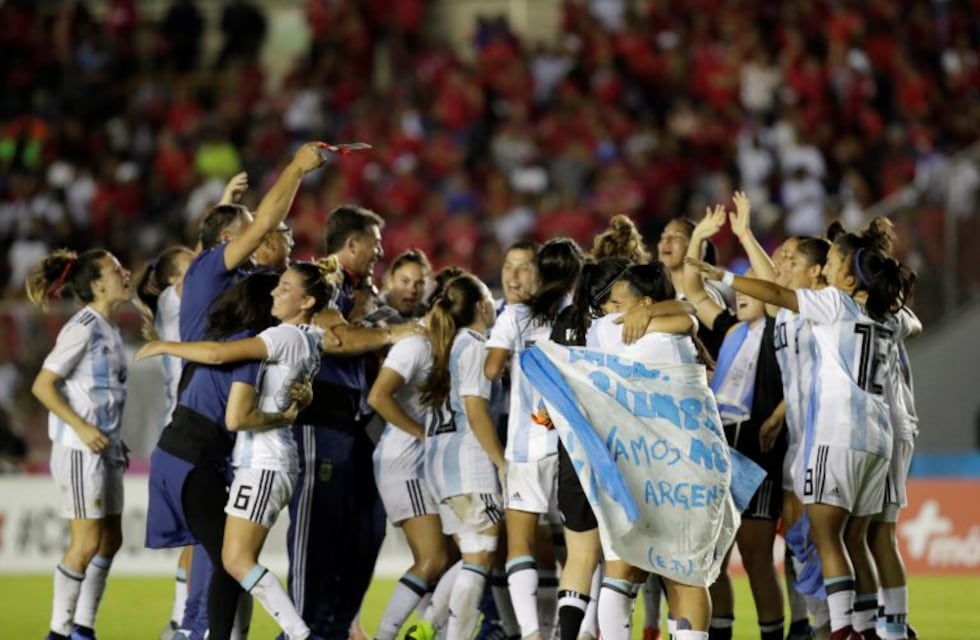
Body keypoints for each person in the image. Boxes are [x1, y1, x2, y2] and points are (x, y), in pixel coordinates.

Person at [686, 225, 916, 640]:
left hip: (836, 431)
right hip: (878, 436)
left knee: (826, 538)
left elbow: (774, 293)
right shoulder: (883, 314)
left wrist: (723, 275)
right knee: (856, 539)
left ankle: (841, 628)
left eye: (832, 264)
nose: (826, 270)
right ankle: (873, 628)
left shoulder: (833, 304)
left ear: (848, 279)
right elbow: (908, 323)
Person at [138, 260, 343, 640]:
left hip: (265, 463)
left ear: (308, 300)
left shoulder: (283, 337)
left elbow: (219, 356)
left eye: (285, 288)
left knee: (235, 560)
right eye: (276, 285)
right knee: (230, 561)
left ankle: (300, 634)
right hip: (266, 463)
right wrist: (292, 408)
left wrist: (164, 345)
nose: (274, 293)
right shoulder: (310, 339)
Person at [175, 142, 326, 640]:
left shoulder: (259, 305)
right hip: (209, 438)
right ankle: (196, 630)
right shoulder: (221, 277)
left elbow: (253, 238)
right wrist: (297, 168)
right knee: (223, 556)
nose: (277, 234)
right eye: (263, 231)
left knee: (228, 558)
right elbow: (257, 227)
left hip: (240, 445)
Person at [286, 204, 423, 640]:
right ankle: (300, 631)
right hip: (317, 423)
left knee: (363, 534)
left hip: (353, 431)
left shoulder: (359, 292)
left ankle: (336, 627)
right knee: (316, 540)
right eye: (375, 245)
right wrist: (393, 334)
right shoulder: (320, 281)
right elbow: (335, 337)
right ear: (352, 244)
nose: (379, 254)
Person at [552, 258, 696, 640]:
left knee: (607, 566)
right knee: (682, 576)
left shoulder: (600, 328)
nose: (609, 311)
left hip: (610, 459)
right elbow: (689, 316)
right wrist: (653, 310)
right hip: (675, 466)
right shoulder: (663, 335)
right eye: (608, 302)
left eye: (617, 303)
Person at [682, 196, 786, 640]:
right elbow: (691, 291)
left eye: (749, 292)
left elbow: (772, 288)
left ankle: (772, 634)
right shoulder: (729, 330)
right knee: (714, 556)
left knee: (757, 555)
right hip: (721, 446)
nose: (741, 295)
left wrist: (744, 235)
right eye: (737, 291)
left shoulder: (781, 327)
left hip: (759, 453)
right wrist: (699, 238)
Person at [27, 249, 133, 640]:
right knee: (87, 541)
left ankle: (83, 627)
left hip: (106, 448)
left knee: (111, 539)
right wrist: (82, 428)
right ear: (95, 284)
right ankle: (59, 633)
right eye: (116, 269)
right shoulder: (82, 327)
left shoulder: (111, 328)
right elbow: (42, 385)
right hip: (79, 448)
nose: (126, 273)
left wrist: (113, 439)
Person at [485, 238, 584, 640]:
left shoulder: (515, 317)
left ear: (541, 273)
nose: (513, 275)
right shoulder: (576, 314)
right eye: (508, 266)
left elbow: (491, 369)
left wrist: (514, 362)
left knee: (521, 543)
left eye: (523, 267)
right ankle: (580, 629)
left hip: (526, 445)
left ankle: (530, 632)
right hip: (571, 448)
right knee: (579, 548)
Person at [367, 278, 456, 640]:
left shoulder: (446, 348)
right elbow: (378, 396)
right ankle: (386, 636)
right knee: (434, 559)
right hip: (404, 462)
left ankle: (431, 630)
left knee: (454, 556)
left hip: (424, 466)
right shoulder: (415, 346)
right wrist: (422, 435)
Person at [419, 273, 505, 640]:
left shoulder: (447, 345)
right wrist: (502, 463)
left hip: (440, 467)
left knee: (472, 558)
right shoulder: (474, 346)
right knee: (480, 559)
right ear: (482, 306)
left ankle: (427, 627)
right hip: (469, 466)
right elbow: (475, 411)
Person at [133, 244, 194, 639]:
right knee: (198, 537)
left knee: (201, 537)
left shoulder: (179, 301)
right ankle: (179, 622)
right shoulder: (175, 301)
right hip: (186, 430)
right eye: (191, 267)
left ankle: (181, 620)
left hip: (190, 427)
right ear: (172, 280)